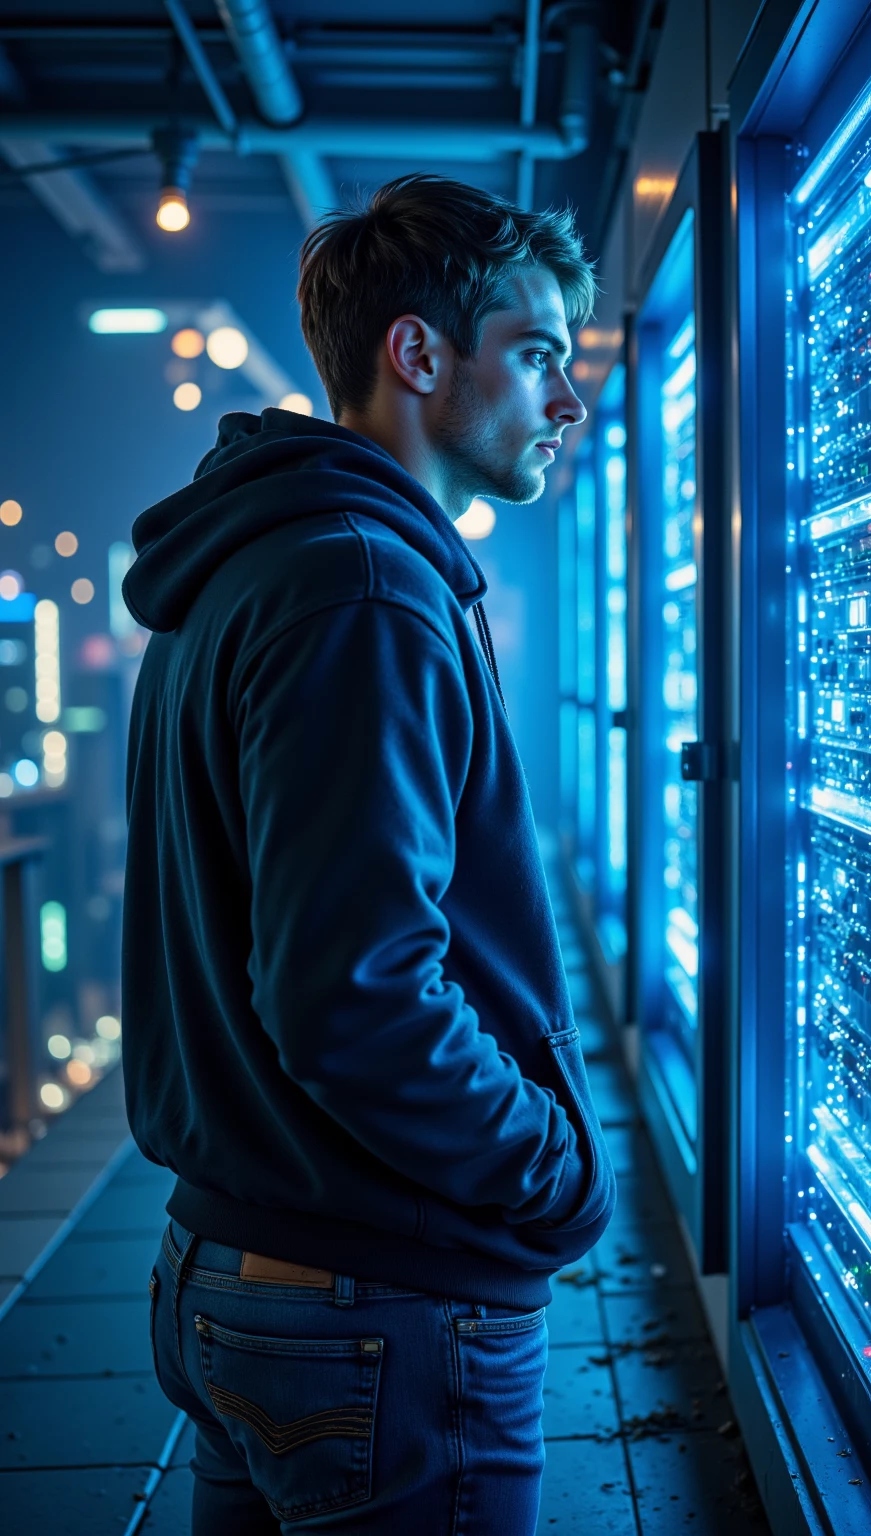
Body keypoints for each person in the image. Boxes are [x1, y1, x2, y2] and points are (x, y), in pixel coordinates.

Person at [121, 174, 616, 1535]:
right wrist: (555, 1177)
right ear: (417, 353)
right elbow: (355, 995)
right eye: (535, 354)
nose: (567, 402)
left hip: (242, 1264)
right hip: (372, 1301)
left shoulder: (256, 564)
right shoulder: (361, 585)